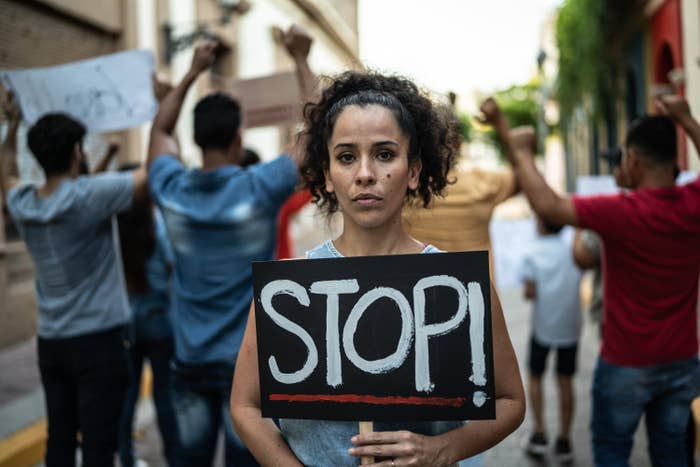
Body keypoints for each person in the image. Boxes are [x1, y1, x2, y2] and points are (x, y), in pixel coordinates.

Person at [230, 70, 526, 467]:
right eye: (346, 157)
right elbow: (245, 405)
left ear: (415, 171)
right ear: (328, 176)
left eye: (385, 154)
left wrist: (441, 449)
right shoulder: (289, 290)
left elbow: (511, 401)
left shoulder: (459, 287)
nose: (365, 173)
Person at [494, 93, 700, 466]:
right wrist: (687, 120)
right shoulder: (693, 202)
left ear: (632, 160)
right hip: (682, 360)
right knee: (672, 453)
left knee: (611, 453)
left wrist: (521, 151)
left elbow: (549, 207)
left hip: (625, 363)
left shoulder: (619, 212)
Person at [146, 25, 315, 466]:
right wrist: (299, 58)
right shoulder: (258, 187)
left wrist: (190, 73)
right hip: (248, 364)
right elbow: (320, 133)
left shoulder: (170, 188)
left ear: (198, 140)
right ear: (239, 141)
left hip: (189, 359)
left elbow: (161, 128)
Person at [0, 92, 148, 465]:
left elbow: (6, 172)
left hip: (52, 342)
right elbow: (154, 174)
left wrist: (13, 124)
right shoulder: (89, 196)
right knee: (100, 446)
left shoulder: (24, 203)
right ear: (76, 153)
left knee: (60, 442)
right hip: (99, 343)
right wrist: (163, 110)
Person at [403, 98, 518, 274]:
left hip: (418, 296)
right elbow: (523, 174)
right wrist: (500, 121)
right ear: (458, 143)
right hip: (477, 295)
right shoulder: (480, 186)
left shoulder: (402, 190)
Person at [117, 163, 179, 467]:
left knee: (127, 396)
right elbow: (171, 263)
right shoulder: (156, 222)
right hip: (159, 318)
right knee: (164, 395)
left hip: (127, 321)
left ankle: (126, 458)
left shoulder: (115, 227)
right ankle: (173, 457)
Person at [519, 217, 582, 461]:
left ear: (541, 224)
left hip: (543, 327)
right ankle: (565, 440)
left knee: (536, 376)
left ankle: (539, 433)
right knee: (565, 380)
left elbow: (529, 292)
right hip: (570, 327)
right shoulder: (572, 250)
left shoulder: (532, 252)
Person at [572, 147, 629, 333]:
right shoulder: (679, 203)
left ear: (634, 164)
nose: (614, 173)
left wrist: (580, 221)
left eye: (617, 165)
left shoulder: (614, 211)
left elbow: (583, 257)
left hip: (617, 320)